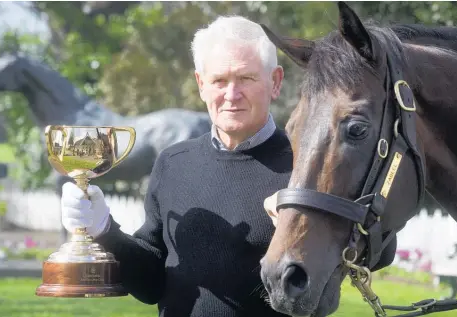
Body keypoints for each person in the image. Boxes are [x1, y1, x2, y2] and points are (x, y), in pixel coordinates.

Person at [61, 15, 292, 317]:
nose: (231, 95)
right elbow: (151, 284)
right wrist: (104, 229)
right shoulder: (173, 163)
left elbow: (323, 288)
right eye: (219, 81)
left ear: (275, 82)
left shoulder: (304, 166)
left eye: (246, 79)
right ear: (201, 84)